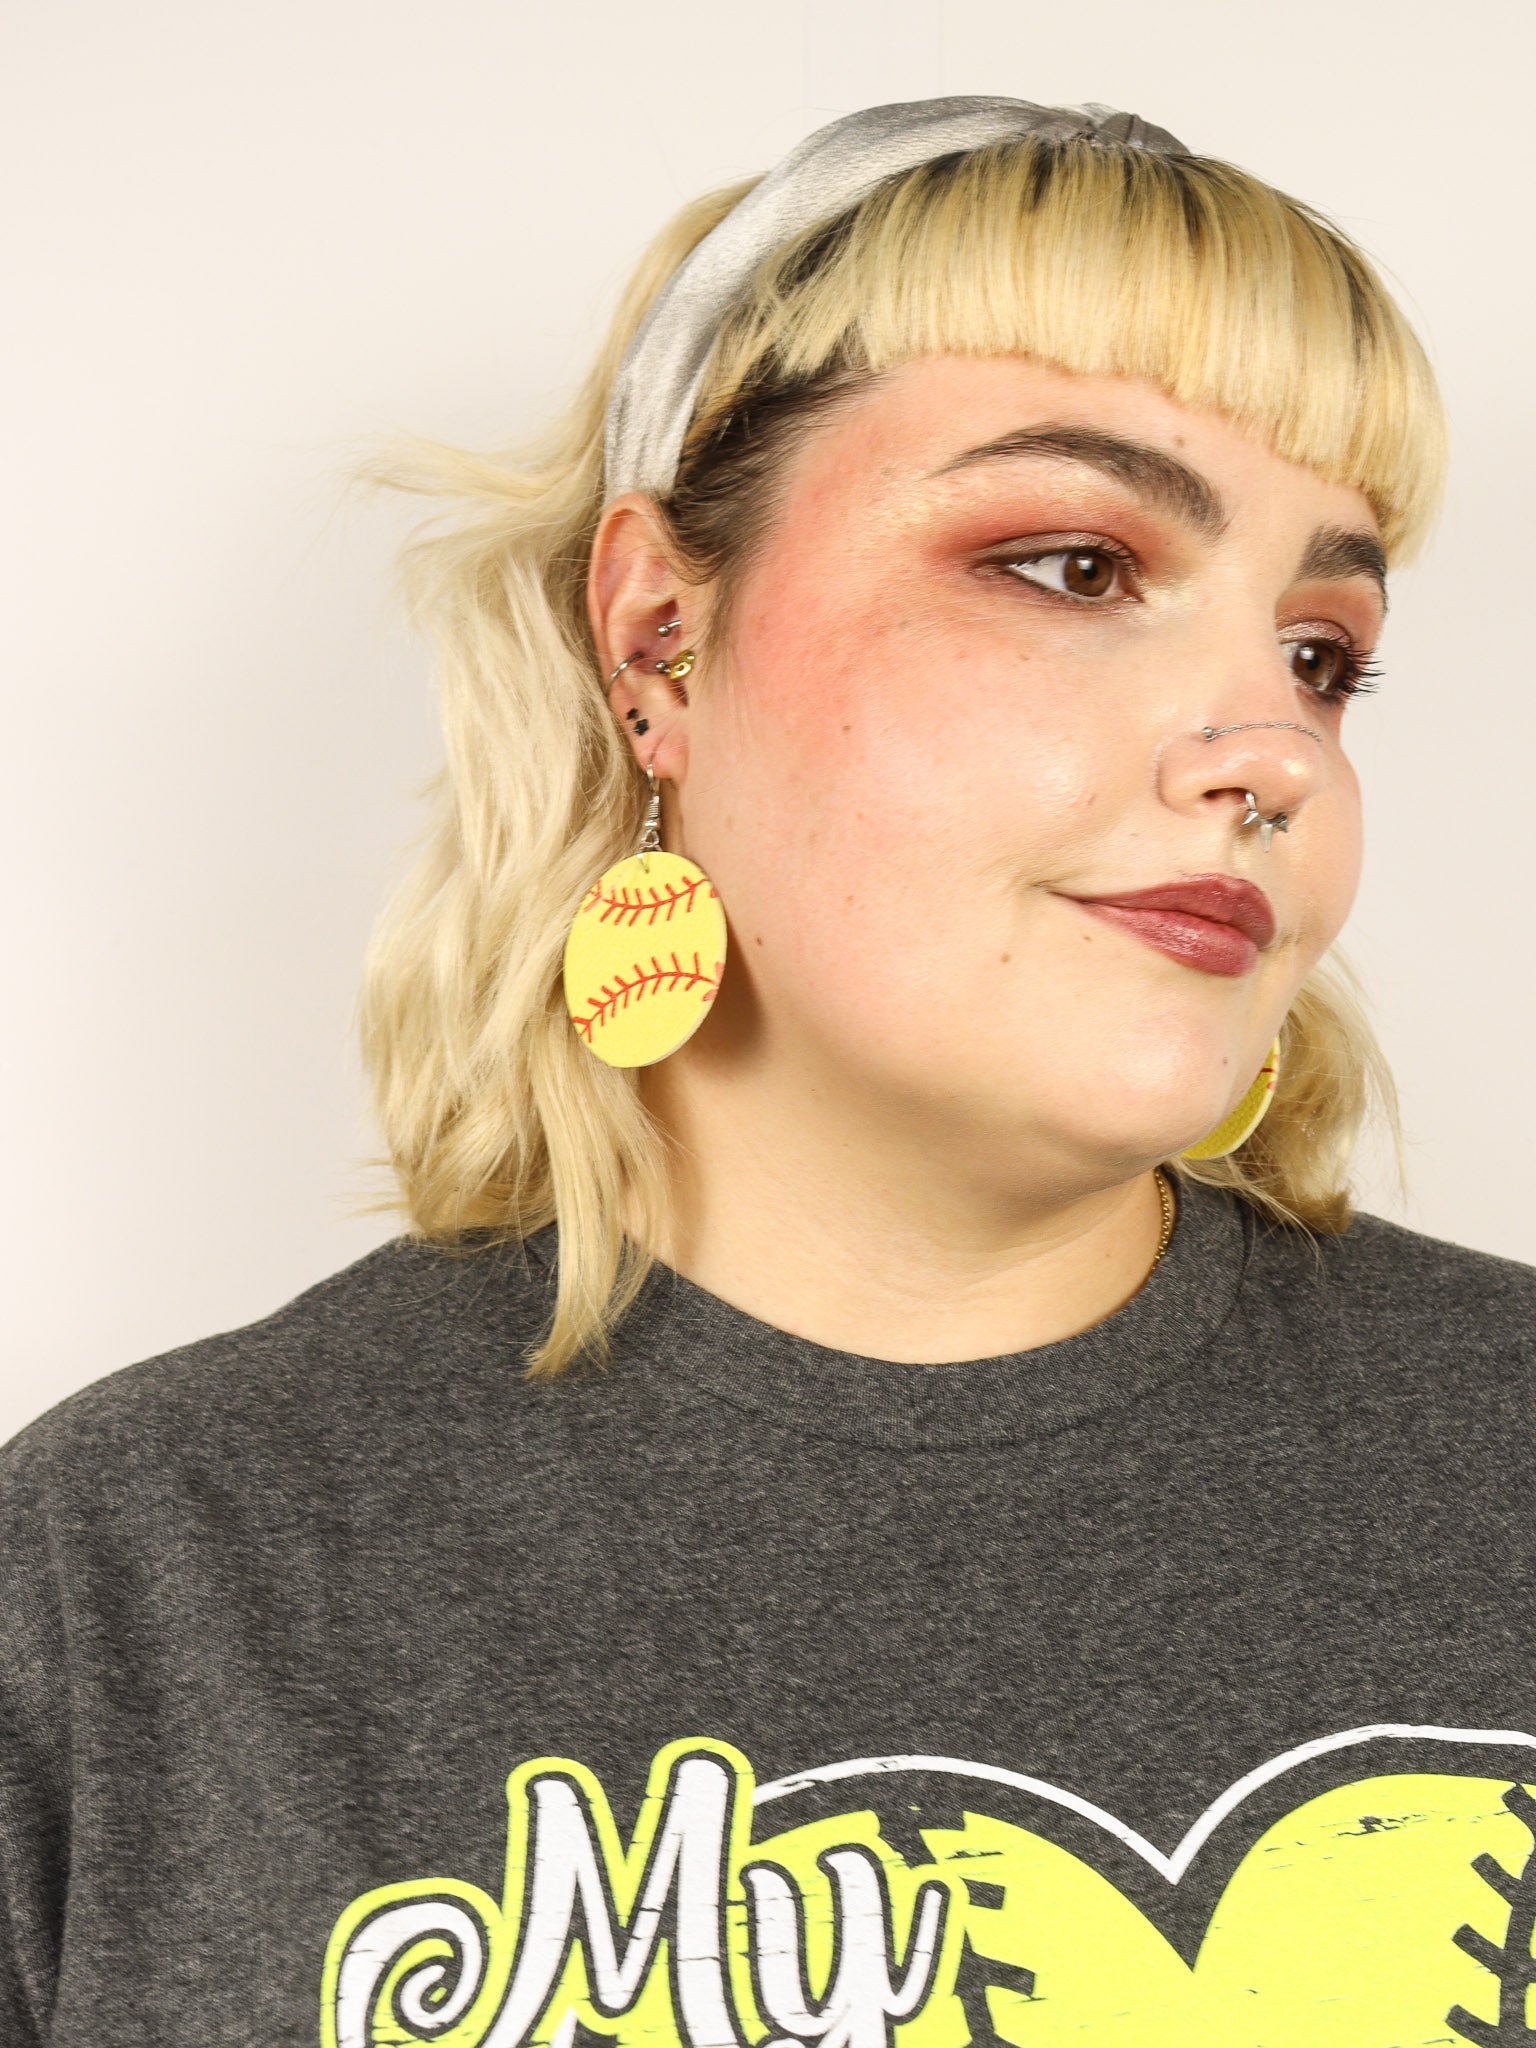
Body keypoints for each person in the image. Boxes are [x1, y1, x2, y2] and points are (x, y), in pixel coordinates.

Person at [2, 94, 1533, 2048]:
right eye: (1074, 565)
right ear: (659, 639)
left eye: (1325, 651)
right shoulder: (142, 1572)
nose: (1275, 752)